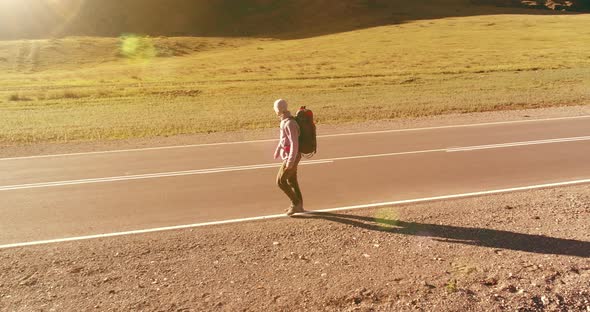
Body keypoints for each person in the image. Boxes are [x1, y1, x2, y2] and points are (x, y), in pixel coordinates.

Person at [273, 99, 304, 216]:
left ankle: (295, 203)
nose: (274, 110)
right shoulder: (284, 121)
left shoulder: (290, 123)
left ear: (279, 109)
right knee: (292, 180)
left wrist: (290, 162)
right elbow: (283, 140)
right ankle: (299, 206)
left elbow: (294, 144)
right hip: (289, 156)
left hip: (292, 157)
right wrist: (277, 150)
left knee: (280, 181)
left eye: (275, 108)